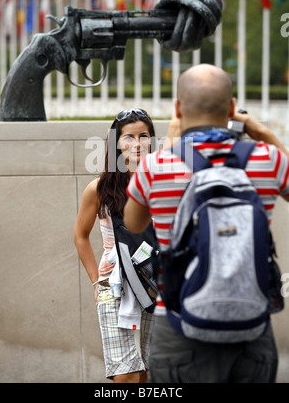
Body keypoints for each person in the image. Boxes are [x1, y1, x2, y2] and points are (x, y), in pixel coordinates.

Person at [124, 64, 289, 383]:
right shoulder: (268, 158)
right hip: (252, 329)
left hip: (177, 327)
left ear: (177, 108)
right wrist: (264, 134)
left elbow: (132, 223)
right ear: (231, 107)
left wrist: (171, 145)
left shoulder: (158, 165)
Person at [73, 108, 156, 384]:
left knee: (148, 370)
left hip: (156, 283)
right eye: (128, 137)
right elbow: (80, 235)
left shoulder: (163, 184)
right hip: (114, 284)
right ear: (115, 144)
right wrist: (97, 282)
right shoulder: (99, 189)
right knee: (126, 375)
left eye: (144, 136)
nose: (137, 144)